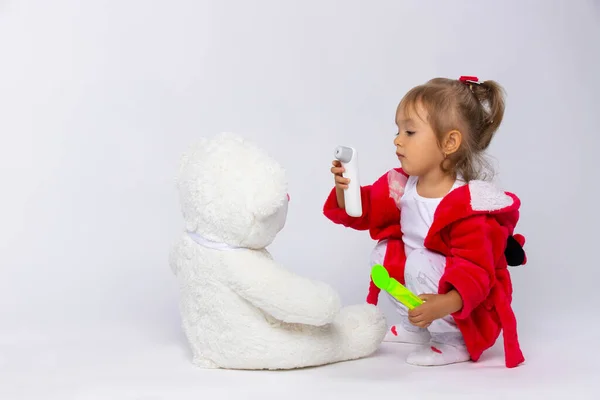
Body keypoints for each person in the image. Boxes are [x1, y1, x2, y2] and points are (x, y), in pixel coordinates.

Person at [322, 76, 526, 368]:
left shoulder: (466, 204)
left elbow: (476, 271)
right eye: (398, 130)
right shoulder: (401, 184)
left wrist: (445, 304)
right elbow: (364, 210)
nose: (397, 139)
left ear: (449, 142)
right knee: (383, 255)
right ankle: (417, 327)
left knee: (418, 260)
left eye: (410, 132)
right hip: (425, 281)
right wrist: (345, 190)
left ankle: (452, 341)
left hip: (463, 306)